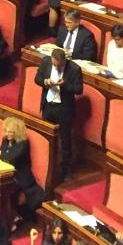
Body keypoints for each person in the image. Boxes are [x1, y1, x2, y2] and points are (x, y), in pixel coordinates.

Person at [35, 46, 82, 178]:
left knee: (65, 140)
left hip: (64, 109)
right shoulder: (45, 62)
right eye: (54, 64)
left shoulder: (74, 69)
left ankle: (66, 169)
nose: (56, 67)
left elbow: (79, 89)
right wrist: (45, 82)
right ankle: (47, 165)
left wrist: (65, 85)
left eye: (59, 65)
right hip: (48, 105)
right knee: (47, 136)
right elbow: (37, 78)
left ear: (64, 61)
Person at [0, 116, 46, 220]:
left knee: (7, 192)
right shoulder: (6, 139)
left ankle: (12, 216)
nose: (7, 134)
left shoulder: (23, 143)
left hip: (20, 175)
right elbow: (2, 152)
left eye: (10, 132)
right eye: (6, 131)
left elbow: (11, 158)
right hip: (7, 171)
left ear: (17, 132)